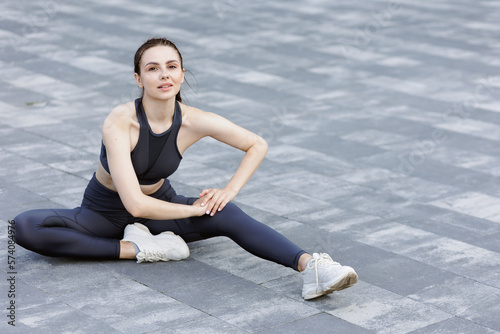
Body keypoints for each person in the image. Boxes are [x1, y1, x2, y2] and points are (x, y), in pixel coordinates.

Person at [12, 37, 358, 300]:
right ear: (138, 78)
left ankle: (312, 267)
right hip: (103, 213)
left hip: (160, 210)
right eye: (152, 68)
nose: (164, 74)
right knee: (25, 227)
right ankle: (142, 248)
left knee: (226, 212)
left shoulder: (194, 121)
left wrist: (226, 193)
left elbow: (257, 144)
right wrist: (193, 209)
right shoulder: (120, 121)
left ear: (181, 73)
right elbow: (134, 205)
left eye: (172, 66)